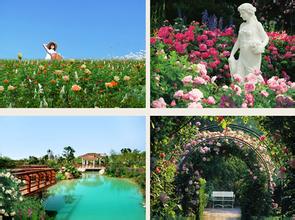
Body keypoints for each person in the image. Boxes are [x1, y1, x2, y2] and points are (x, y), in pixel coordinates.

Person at [228, 3, 269, 81]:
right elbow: (238, 41)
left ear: (249, 12)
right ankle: (240, 92)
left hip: (252, 54)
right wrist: (232, 54)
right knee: (239, 75)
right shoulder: (242, 25)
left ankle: (258, 91)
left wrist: (261, 46)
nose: (241, 15)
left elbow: (266, 38)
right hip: (243, 54)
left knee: (252, 75)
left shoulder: (257, 25)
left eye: (242, 13)